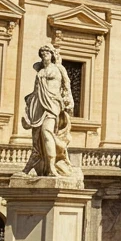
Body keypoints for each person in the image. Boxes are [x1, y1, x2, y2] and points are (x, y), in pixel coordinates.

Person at [21, 44, 75, 177]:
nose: (45, 54)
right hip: (39, 105)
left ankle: (52, 166)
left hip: (53, 103)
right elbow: (35, 91)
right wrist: (29, 106)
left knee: (47, 132)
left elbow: (66, 85)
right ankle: (29, 168)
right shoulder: (40, 72)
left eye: (47, 52)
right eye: (42, 52)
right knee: (37, 140)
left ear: (52, 55)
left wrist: (69, 101)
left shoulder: (59, 68)